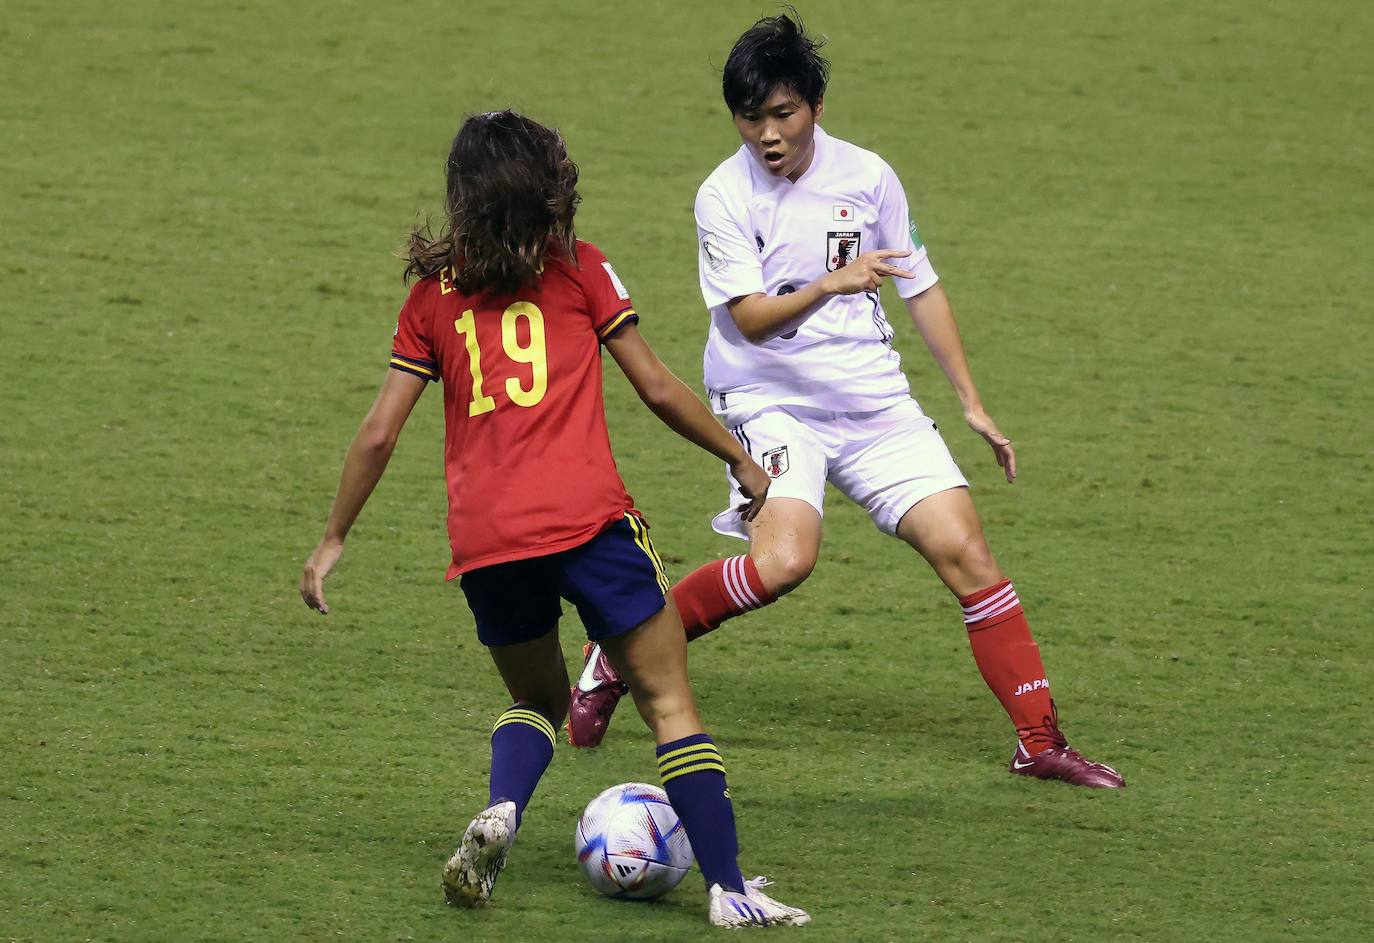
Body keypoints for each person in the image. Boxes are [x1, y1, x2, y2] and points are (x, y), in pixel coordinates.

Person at [568, 15, 1124, 790]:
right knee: (785, 561)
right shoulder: (723, 196)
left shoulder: (869, 176)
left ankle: (1039, 741)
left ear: (817, 107)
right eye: (750, 116)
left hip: (871, 402)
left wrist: (971, 401)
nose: (767, 133)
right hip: (768, 399)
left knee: (968, 553)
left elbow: (919, 284)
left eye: (783, 113)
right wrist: (830, 282)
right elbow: (750, 322)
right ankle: (620, 650)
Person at [298, 110, 810, 927]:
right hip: (591, 526)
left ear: (464, 197)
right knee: (669, 702)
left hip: (489, 543)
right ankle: (729, 888)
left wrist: (332, 540)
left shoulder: (433, 299)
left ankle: (503, 808)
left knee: (536, 699)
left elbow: (379, 430)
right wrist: (744, 460)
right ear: (550, 188)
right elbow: (658, 387)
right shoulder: (581, 271)